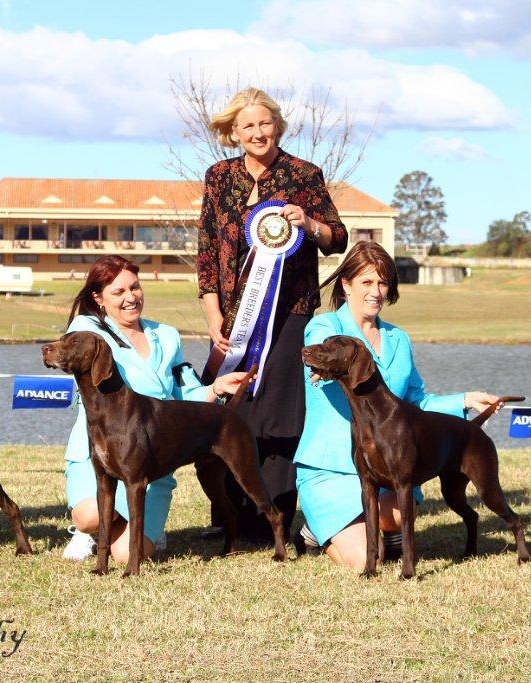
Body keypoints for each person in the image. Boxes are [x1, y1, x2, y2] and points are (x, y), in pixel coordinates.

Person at [196, 86, 349, 540]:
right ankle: (228, 515)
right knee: (231, 412)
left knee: (280, 417)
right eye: (248, 125)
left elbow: (337, 238)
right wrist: (211, 316)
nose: (258, 132)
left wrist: (311, 224)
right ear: (233, 133)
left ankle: (272, 520)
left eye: (265, 123)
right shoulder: (218, 176)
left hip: (290, 314)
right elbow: (206, 250)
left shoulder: (305, 174)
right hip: (231, 319)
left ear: (278, 126)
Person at [293, 241, 503, 569]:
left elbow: (416, 402)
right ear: (346, 284)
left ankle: (381, 534)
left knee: (395, 513)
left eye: (382, 282)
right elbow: (320, 355)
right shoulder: (325, 329)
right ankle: (313, 532)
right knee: (362, 558)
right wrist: (321, 367)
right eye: (366, 282)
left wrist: (465, 400)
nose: (376, 291)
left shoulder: (398, 339)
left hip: (388, 463)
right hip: (332, 467)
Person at [60, 255, 253, 563]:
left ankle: (135, 532)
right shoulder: (87, 330)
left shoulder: (166, 335)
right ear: (98, 298)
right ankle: (92, 532)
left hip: (150, 453)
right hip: (100, 450)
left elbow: (182, 394)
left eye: (134, 287)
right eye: (118, 292)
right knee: (88, 516)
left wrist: (215, 389)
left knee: (126, 557)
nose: (130, 297)